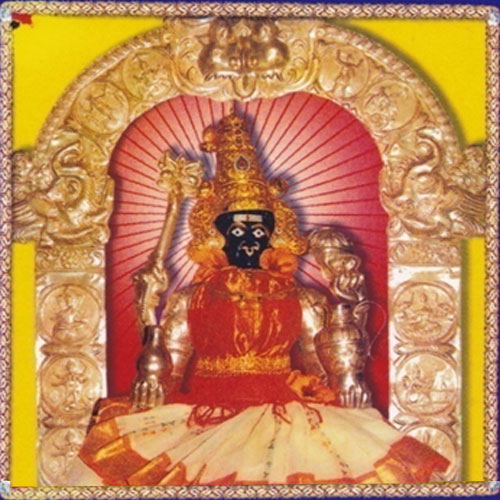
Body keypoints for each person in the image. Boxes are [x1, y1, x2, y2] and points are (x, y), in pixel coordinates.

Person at [68, 114, 449, 486]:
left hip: (284, 412)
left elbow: (319, 368)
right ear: (218, 235)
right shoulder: (191, 299)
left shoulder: (303, 298)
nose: (249, 239)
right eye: (237, 229)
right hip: (206, 413)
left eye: (258, 229)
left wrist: (345, 377)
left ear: (272, 234)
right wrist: (152, 379)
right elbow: (171, 368)